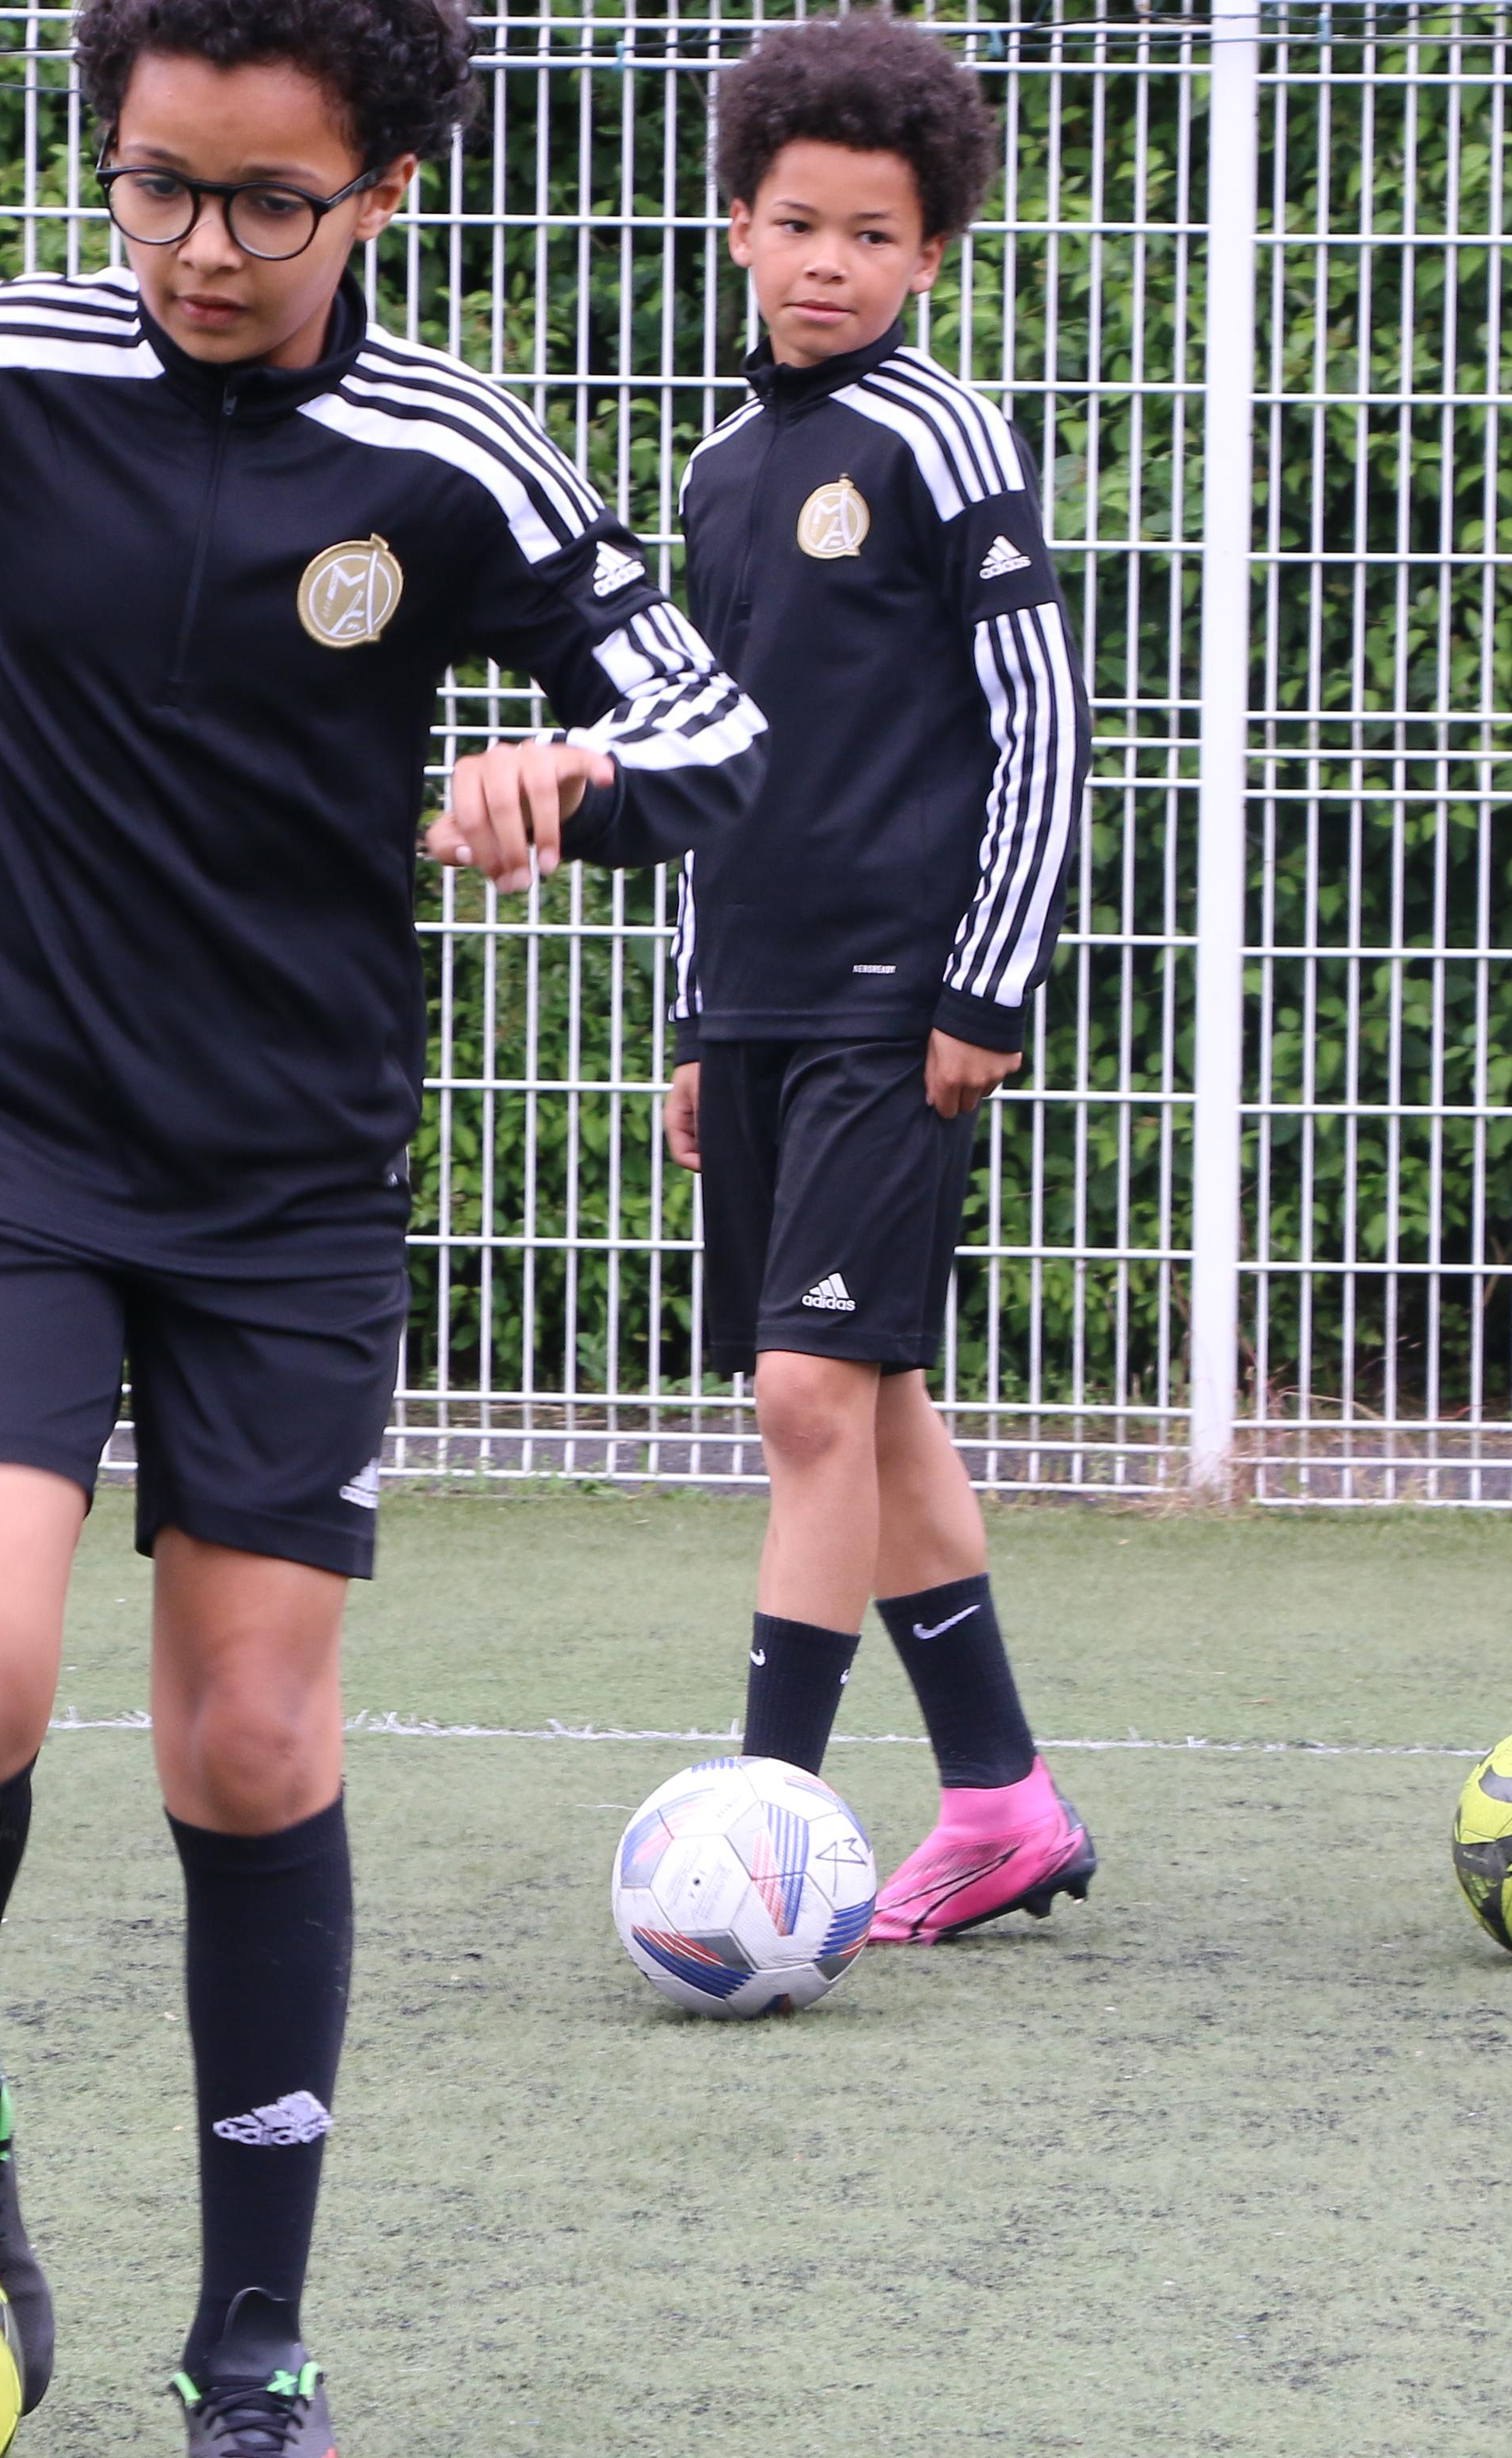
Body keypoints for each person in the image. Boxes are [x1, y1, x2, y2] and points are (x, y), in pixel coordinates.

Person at [0, 0, 766, 2436]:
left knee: (246, 1738)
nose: (197, 249)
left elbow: (719, 733)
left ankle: (251, 2341)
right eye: (153, 185)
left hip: (285, 1184)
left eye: (262, 203)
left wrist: (576, 772)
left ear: (382, 194)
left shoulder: (450, 457)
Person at [660, 11, 1095, 1944]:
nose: (830, 260)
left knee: (806, 1399)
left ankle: (768, 1833)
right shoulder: (722, 466)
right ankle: (1001, 1800)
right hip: (751, 1001)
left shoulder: (942, 438)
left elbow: (1043, 719)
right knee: (876, 1403)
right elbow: (697, 755)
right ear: (738, 225)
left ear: (933, 257)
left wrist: (987, 984)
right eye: (798, 222)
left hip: (892, 996)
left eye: (874, 233)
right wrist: (689, 1017)